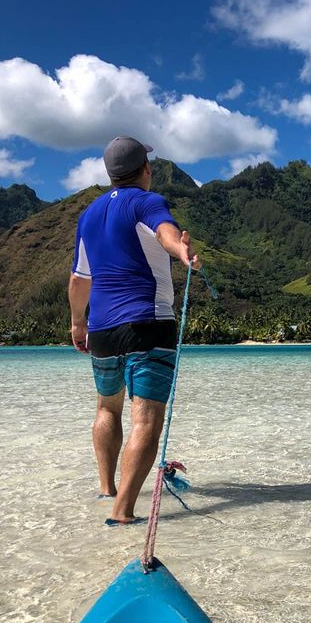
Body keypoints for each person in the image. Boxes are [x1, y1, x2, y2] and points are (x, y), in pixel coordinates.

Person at [68, 136, 200, 525]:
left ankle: (107, 487)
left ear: (111, 173)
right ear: (146, 169)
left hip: (102, 329)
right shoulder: (148, 201)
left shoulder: (88, 216)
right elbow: (165, 233)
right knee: (145, 417)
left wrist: (78, 322)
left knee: (107, 408)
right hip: (148, 324)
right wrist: (182, 252)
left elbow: (79, 278)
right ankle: (123, 511)